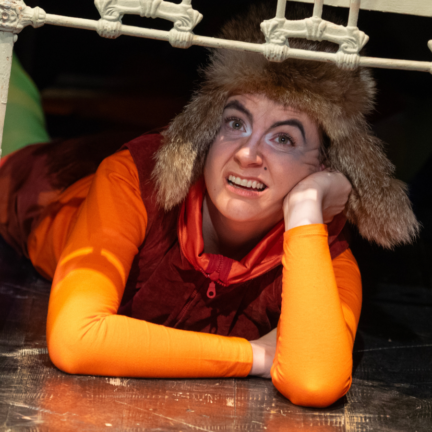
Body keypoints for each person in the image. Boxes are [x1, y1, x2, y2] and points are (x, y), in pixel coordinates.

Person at [0, 4, 419, 408]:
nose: (247, 154)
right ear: (206, 132)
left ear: (323, 166)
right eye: (234, 123)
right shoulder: (130, 180)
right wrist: (256, 356)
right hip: (46, 181)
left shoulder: (325, 249)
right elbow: (76, 338)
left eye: (284, 138)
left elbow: (315, 381)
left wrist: (306, 207)